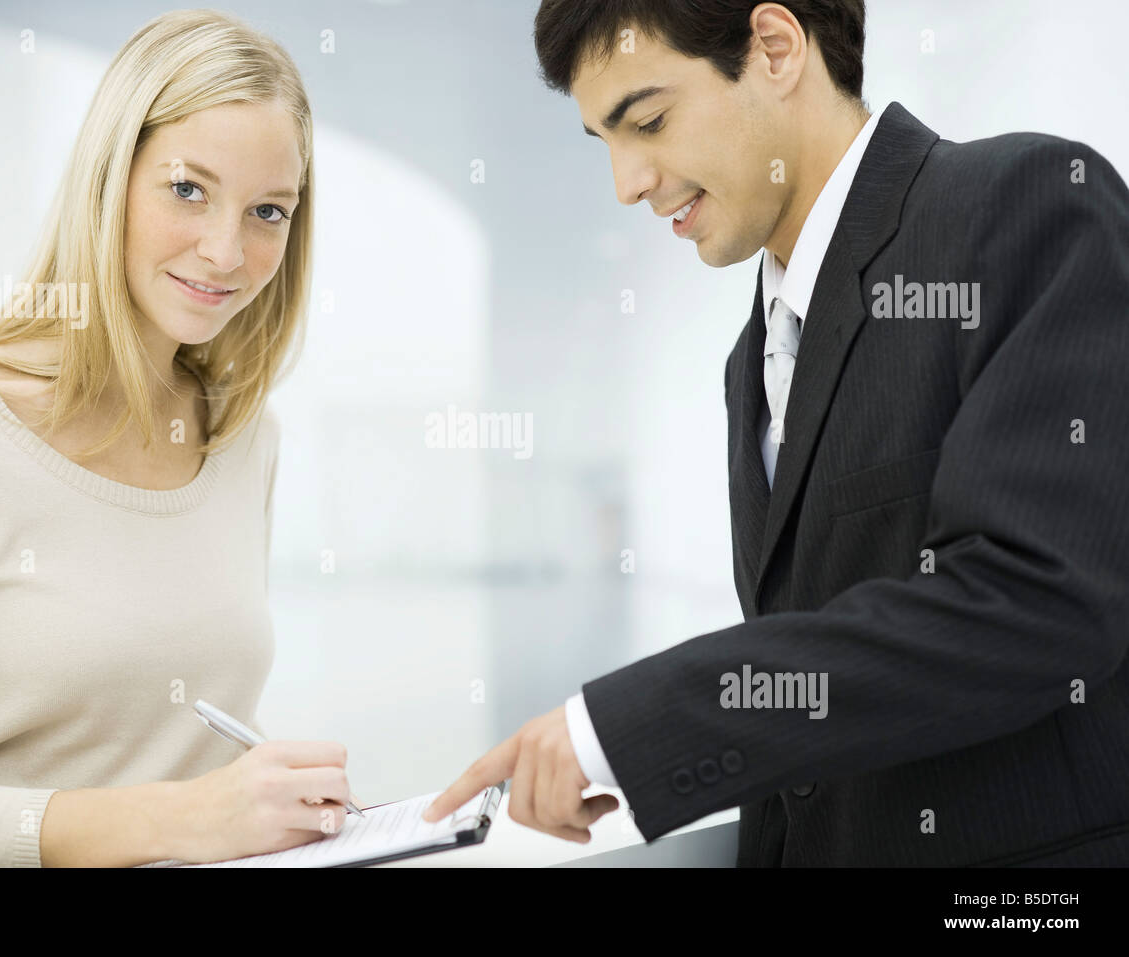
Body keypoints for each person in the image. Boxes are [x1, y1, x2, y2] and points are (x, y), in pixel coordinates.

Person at [425, 0, 1129, 866]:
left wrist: (641, 727)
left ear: (775, 47)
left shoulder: (1027, 208)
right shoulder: (750, 358)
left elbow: (1037, 603)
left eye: (647, 121)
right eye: (605, 141)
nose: (627, 182)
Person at [0, 9, 356, 867]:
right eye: (188, 189)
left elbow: (178, 742)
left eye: (268, 210)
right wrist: (187, 817)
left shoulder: (243, 438)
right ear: (109, 179)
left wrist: (284, 807)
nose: (226, 251)